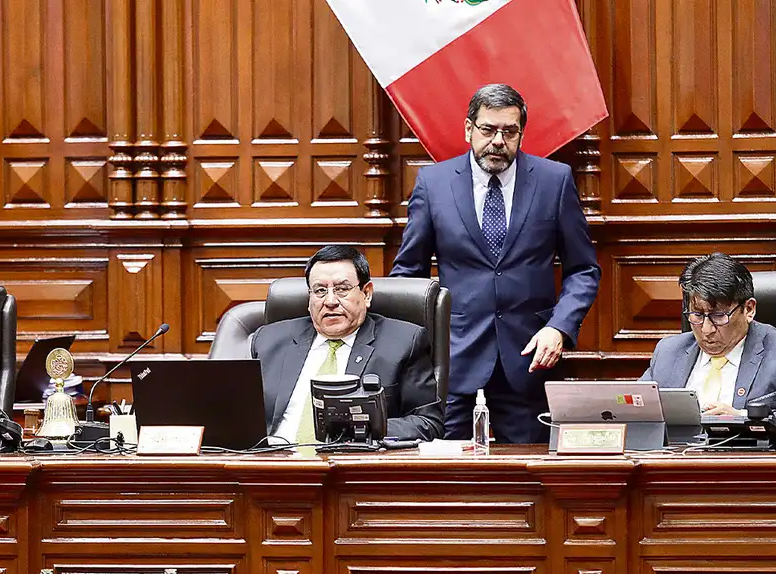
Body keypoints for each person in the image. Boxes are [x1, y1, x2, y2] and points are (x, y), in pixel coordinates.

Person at [390, 83, 600, 443]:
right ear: (468, 129)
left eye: (509, 131)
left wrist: (559, 328)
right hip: (454, 362)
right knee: (447, 472)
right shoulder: (434, 184)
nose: (498, 141)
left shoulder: (554, 181)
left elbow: (583, 269)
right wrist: (416, 350)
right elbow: (409, 275)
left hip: (530, 360)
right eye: (488, 129)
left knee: (528, 472)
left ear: (521, 133)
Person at [251, 245, 444, 443]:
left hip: (351, 459)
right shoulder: (269, 340)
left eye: (342, 289)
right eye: (320, 291)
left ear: (366, 294)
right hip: (272, 457)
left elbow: (428, 423)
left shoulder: (404, 342)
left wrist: (362, 429)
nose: (330, 301)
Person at [640, 253, 776, 441]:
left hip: (745, 461)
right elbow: (633, 411)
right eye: (697, 315)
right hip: (675, 460)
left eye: (718, 316)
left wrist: (743, 418)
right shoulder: (669, 352)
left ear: (749, 309)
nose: (706, 329)